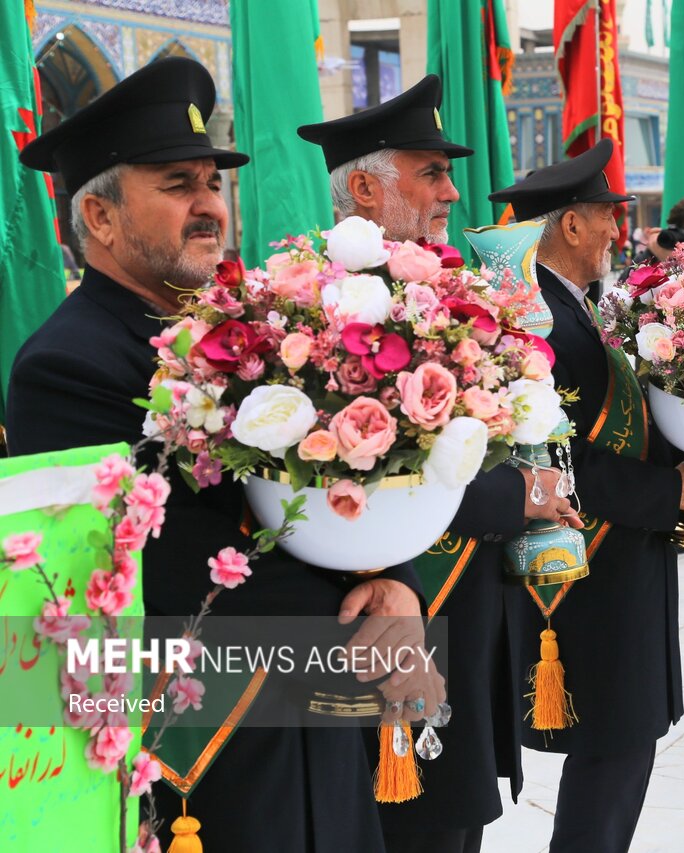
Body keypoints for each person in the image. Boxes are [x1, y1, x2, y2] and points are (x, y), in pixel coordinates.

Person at [7, 57, 437, 853]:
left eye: (211, 181)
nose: (209, 205)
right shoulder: (67, 364)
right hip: (208, 762)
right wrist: (368, 608)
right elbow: (162, 563)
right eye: (177, 184)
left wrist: (396, 581)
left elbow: (349, 481)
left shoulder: (252, 331)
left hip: (318, 735)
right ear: (99, 217)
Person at [298, 74, 577, 853]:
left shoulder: (446, 299)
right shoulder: (318, 311)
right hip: (384, 639)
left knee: (458, 826)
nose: (453, 191)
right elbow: (377, 477)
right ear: (363, 187)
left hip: (467, 621)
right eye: (431, 172)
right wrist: (524, 492)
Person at [489, 139, 684, 853]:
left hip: (625, 557)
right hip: (589, 567)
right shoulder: (543, 319)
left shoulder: (585, 306)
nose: (616, 232)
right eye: (607, 216)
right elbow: (567, 463)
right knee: (614, 746)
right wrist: (674, 490)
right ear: (570, 225)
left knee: (627, 744)